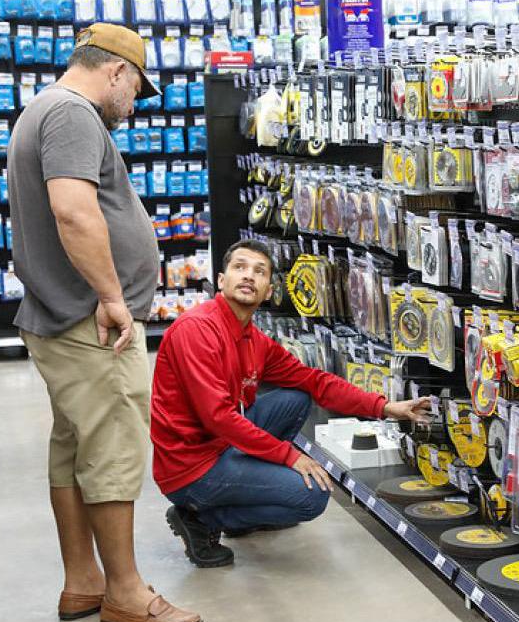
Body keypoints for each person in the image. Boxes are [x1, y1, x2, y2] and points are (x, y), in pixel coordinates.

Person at [9, 23, 201, 622]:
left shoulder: (44, 108)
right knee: (114, 449)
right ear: (116, 70)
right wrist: (112, 297)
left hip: (60, 316)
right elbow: (73, 208)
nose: (133, 107)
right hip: (88, 324)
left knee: (75, 449)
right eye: (136, 91)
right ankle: (124, 592)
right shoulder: (72, 114)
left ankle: (83, 581)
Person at [151, 239, 432, 568]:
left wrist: (384, 407)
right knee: (311, 495)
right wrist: (289, 457)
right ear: (221, 279)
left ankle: (241, 497)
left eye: (259, 272)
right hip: (190, 467)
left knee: (295, 398)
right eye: (239, 267)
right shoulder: (197, 330)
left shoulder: (254, 340)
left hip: (219, 445)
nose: (248, 276)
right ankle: (202, 517)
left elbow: (315, 381)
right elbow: (218, 418)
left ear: (269, 290)